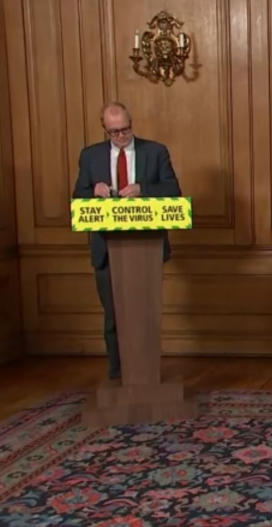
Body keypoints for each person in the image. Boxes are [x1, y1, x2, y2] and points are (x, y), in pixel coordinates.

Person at [72, 102, 182, 379]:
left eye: (125, 130)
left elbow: (173, 190)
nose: (121, 136)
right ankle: (118, 375)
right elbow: (78, 197)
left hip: (146, 247)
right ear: (105, 131)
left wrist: (143, 189)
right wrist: (93, 191)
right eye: (114, 132)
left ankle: (147, 375)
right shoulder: (90, 156)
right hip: (106, 249)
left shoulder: (155, 151)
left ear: (132, 124)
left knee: (144, 315)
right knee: (113, 316)